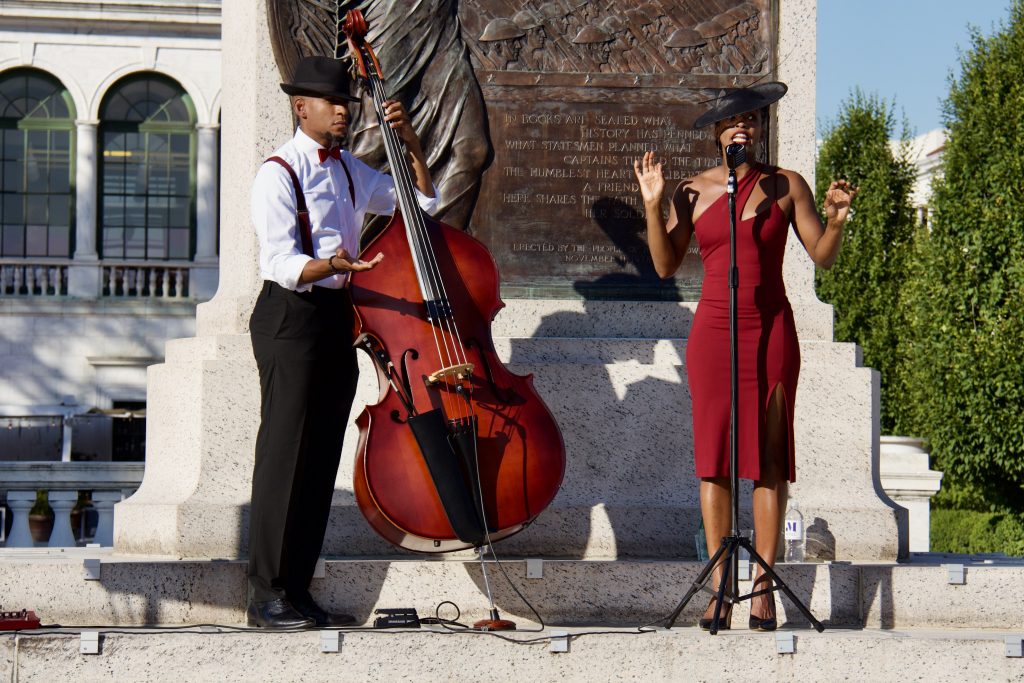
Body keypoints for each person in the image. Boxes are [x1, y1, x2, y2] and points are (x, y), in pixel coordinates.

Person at [633, 82, 856, 631]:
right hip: (712, 334)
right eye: (735, 121)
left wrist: (836, 220)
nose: (744, 128)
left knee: (769, 460)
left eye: (753, 120)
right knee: (714, 459)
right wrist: (653, 205)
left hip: (773, 330)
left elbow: (822, 257)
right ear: (717, 132)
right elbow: (664, 266)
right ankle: (719, 587)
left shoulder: (786, 186)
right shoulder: (693, 190)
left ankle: (763, 589)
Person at [247, 56, 438, 628]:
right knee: (286, 455)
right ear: (300, 106)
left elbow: (420, 205)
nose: (343, 112)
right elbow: (280, 262)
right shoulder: (277, 172)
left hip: (336, 317)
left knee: (320, 454)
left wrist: (411, 146)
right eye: (333, 103)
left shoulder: (350, 169)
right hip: (290, 314)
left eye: (347, 104)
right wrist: (331, 263)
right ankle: (266, 594)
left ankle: (297, 589)